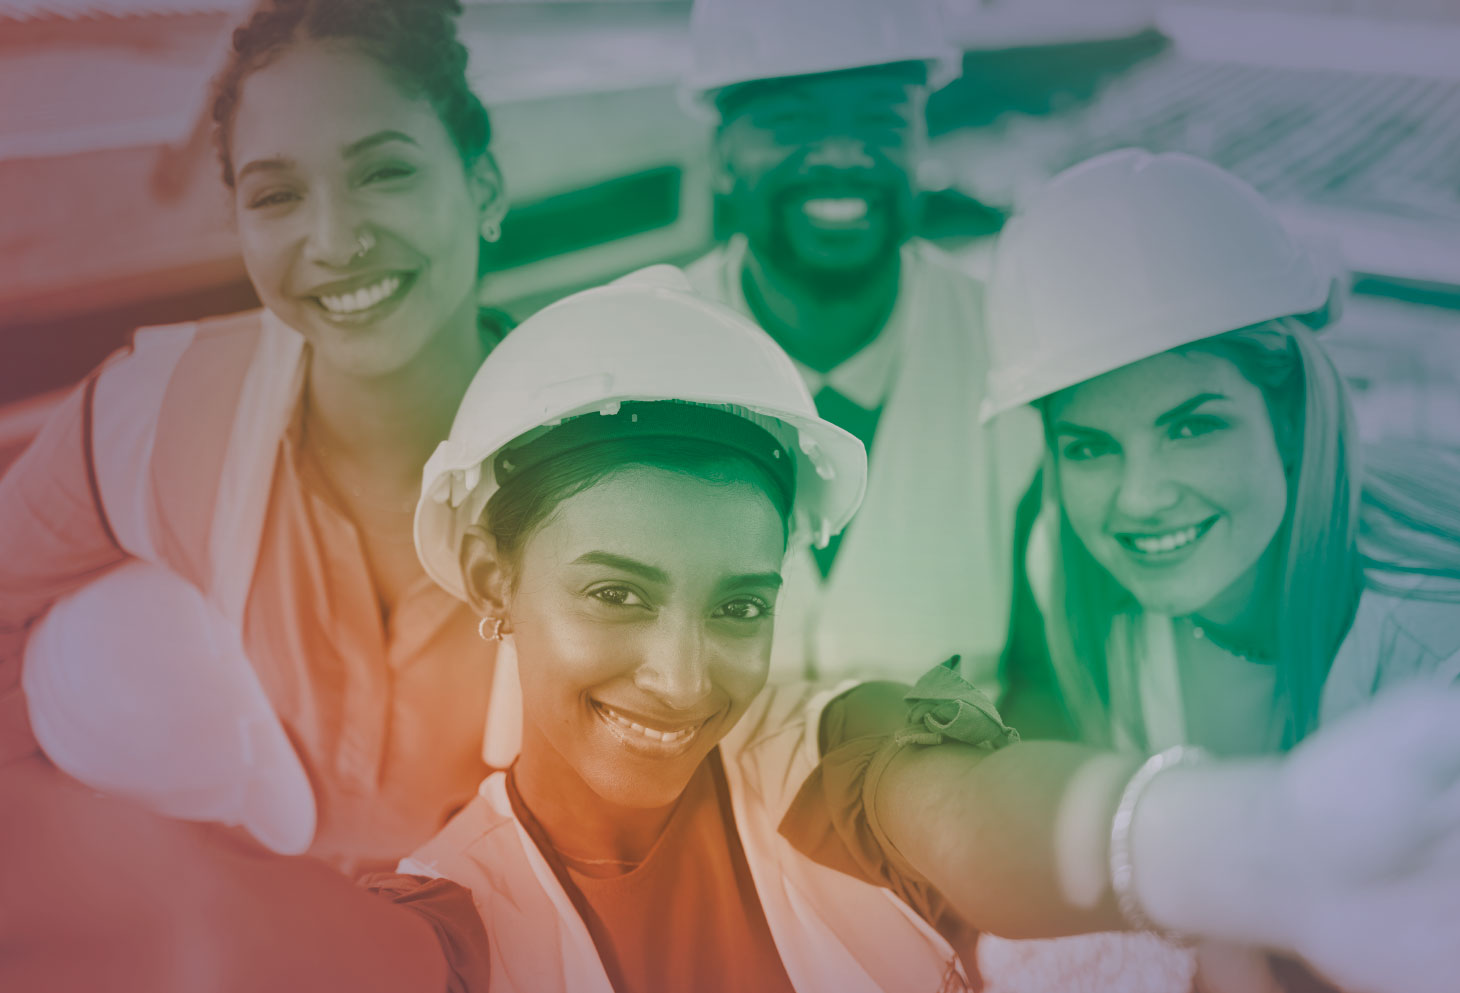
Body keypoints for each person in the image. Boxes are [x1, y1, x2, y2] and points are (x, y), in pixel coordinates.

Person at [377, 266, 1460, 993]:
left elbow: (959, 808)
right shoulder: (437, 921)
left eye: (740, 605)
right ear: (490, 576)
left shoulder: (801, 758)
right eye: (616, 595)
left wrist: (1229, 840)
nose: (682, 673)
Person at [0, 0, 507, 987]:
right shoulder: (153, 415)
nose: (334, 237)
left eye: (386, 171)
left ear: (482, 187)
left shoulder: (599, 450)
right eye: (276, 197)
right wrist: (83, 866)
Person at [981, 149, 1460, 990]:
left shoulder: (1433, 630)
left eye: (1192, 428)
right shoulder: (1068, 566)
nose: (1139, 497)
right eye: (1089, 447)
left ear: (1289, 416)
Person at [680, 0, 1043, 697]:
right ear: (720, 156)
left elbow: (1047, 682)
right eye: (792, 120)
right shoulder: (639, 361)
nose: (843, 155)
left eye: (881, 120)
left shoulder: (1019, 353)